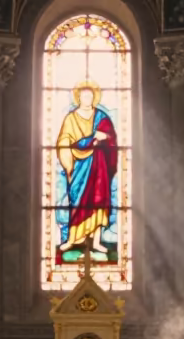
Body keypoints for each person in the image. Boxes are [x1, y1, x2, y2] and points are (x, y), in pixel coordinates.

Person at [54, 80, 118, 255]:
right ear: (78, 97)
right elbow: (63, 142)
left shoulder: (101, 118)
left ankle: (96, 241)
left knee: (98, 202)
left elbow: (111, 139)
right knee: (78, 201)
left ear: (94, 98)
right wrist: (90, 140)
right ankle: (74, 240)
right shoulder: (71, 118)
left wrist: (104, 137)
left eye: (90, 96)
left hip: (98, 167)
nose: (87, 98)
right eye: (84, 95)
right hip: (78, 167)